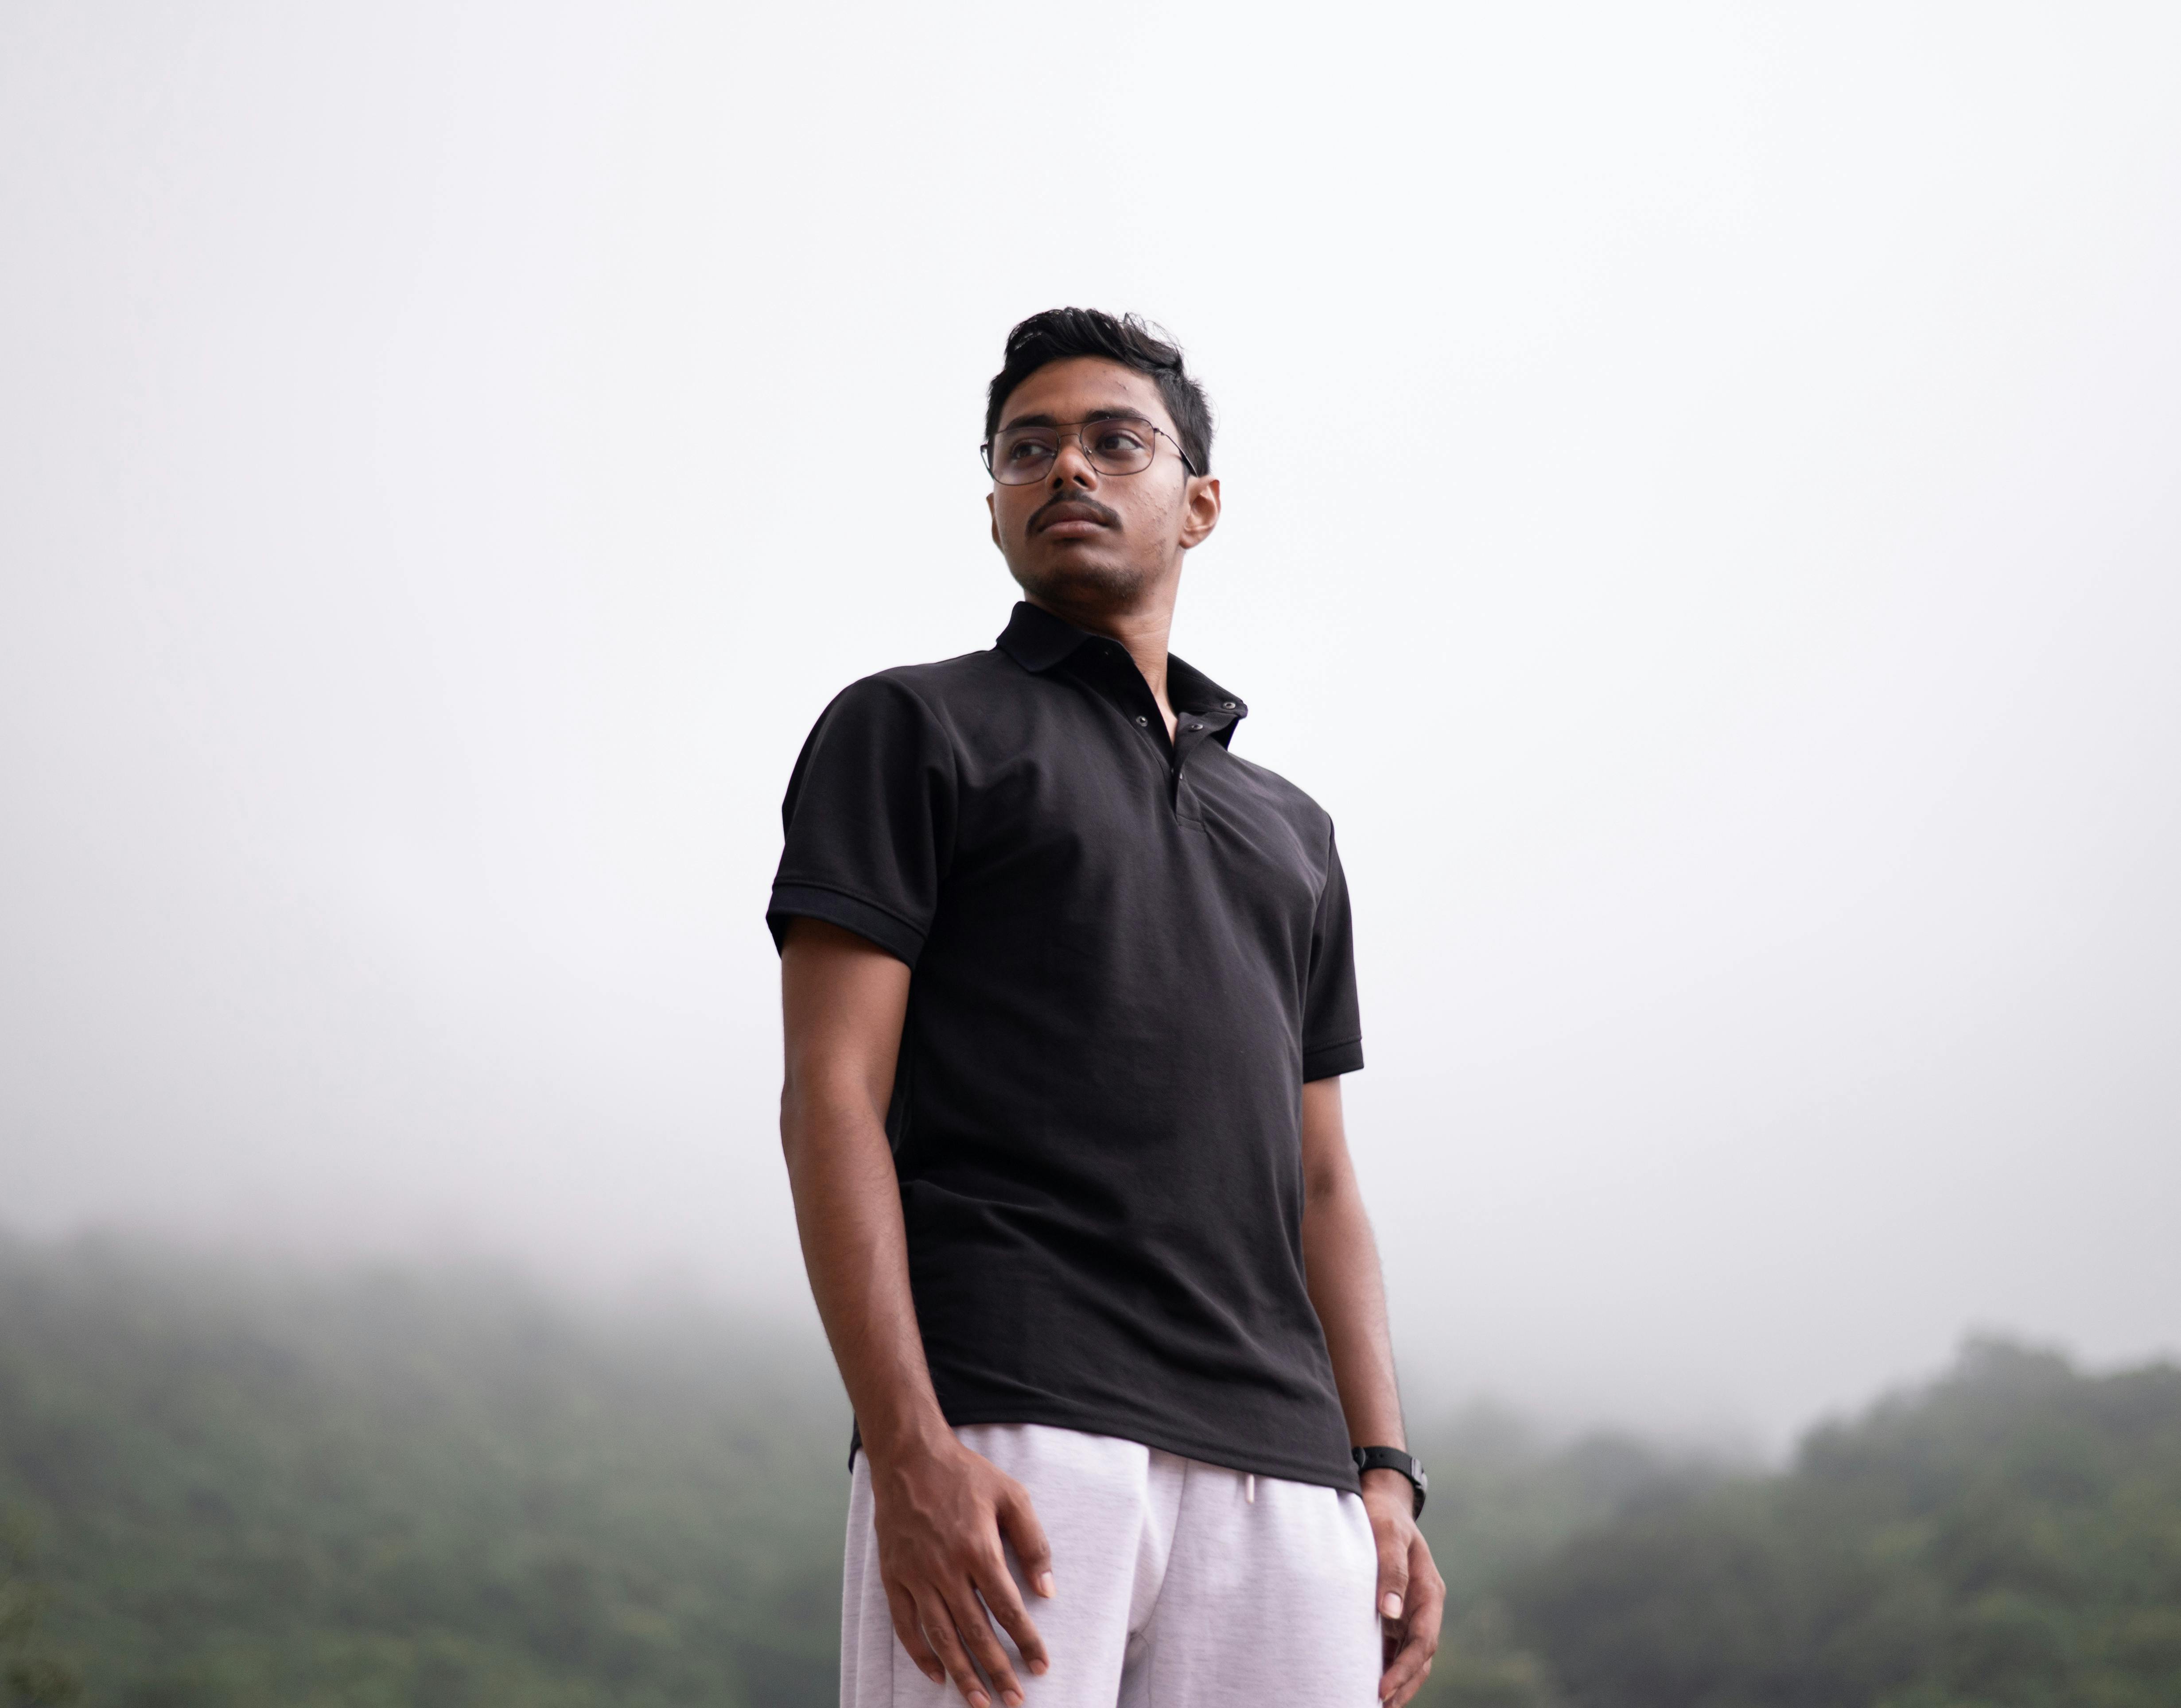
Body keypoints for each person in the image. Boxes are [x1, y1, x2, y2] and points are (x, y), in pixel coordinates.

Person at [771, 308, 1443, 1708]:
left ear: (1195, 503)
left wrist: (1381, 1471)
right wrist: (910, 1447)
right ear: (996, 504)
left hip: (1285, 1464)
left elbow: (1321, 1178)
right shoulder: (912, 728)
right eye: (1027, 449)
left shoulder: (1293, 831)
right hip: (1012, 1417)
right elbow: (832, 1096)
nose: (1064, 468)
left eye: (1110, 441)